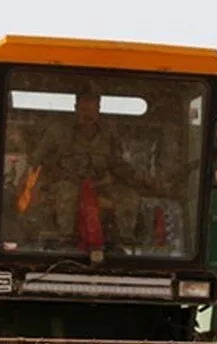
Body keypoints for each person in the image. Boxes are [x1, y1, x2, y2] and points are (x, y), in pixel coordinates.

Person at [17, 81, 138, 253]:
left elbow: (118, 163)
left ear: (99, 109)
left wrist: (133, 179)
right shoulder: (58, 132)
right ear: (76, 108)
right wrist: (29, 187)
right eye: (84, 109)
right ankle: (66, 239)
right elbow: (36, 162)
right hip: (62, 183)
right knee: (68, 193)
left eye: (92, 109)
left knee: (128, 196)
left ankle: (125, 240)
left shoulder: (109, 134)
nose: (88, 115)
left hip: (100, 184)